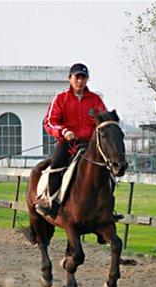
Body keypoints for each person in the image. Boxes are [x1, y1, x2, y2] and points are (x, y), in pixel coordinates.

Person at [36, 63, 107, 218]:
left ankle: (107, 209)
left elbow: (104, 121)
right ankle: (52, 204)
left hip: (90, 144)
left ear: (87, 80)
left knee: (107, 169)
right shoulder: (61, 98)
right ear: (70, 78)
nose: (80, 81)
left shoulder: (96, 100)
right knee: (55, 167)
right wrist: (64, 131)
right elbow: (49, 121)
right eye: (77, 77)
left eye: (83, 77)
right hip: (68, 143)